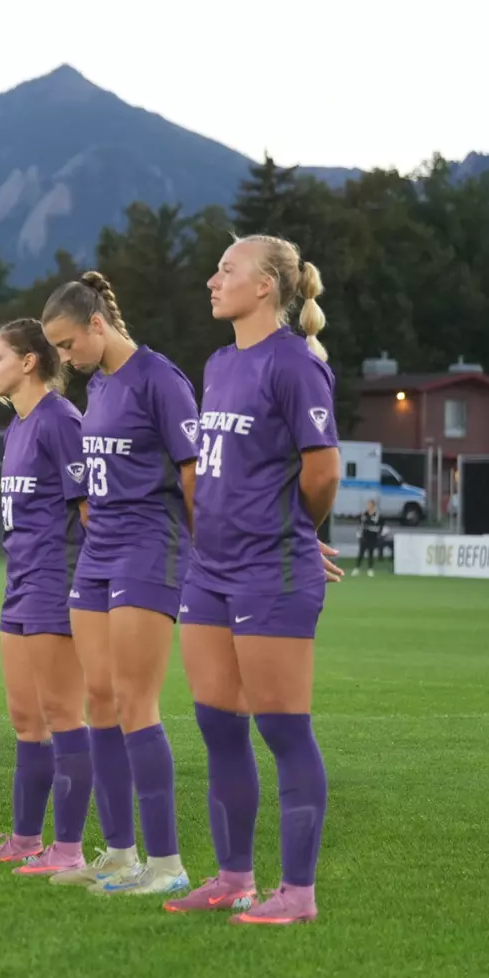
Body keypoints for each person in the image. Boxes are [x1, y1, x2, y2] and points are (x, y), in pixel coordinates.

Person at [164, 235, 340, 925]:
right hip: (207, 569)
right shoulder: (216, 363)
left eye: (227, 271)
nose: (213, 280)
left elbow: (321, 471)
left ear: (265, 286)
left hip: (272, 569)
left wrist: (292, 531)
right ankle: (234, 877)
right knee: (217, 725)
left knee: (283, 729)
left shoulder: (295, 363)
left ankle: (297, 894)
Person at [41, 270, 199, 896]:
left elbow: (194, 477)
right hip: (98, 553)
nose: (62, 357)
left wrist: (207, 554)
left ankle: (166, 865)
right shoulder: (101, 384)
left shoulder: (160, 378)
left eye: (66, 343)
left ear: (97, 324)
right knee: (98, 704)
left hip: (150, 550)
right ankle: (120, 853)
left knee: (137, 703)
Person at [0, 319, 95, 874]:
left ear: (29, 362)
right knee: (25, 718)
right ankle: (26, 839)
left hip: (58, 586)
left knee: (64, 715)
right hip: (20, 586)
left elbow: (91, 510)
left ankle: (68, 849)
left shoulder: (60, 421)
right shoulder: (19, 425)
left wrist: (87, 588)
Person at [357, 499, 383, 577]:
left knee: (371, 553)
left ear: (373, 505)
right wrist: (359, 534)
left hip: (373, 537)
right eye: (368, 505)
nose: (369, 506)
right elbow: (361, 524)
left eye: (370, 505)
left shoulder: (377, 515)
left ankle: (370, 569)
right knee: (361, 553)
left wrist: (378, 533)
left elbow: (380, 525)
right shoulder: (364, 514)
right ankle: (357, 568)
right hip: (364, 536)